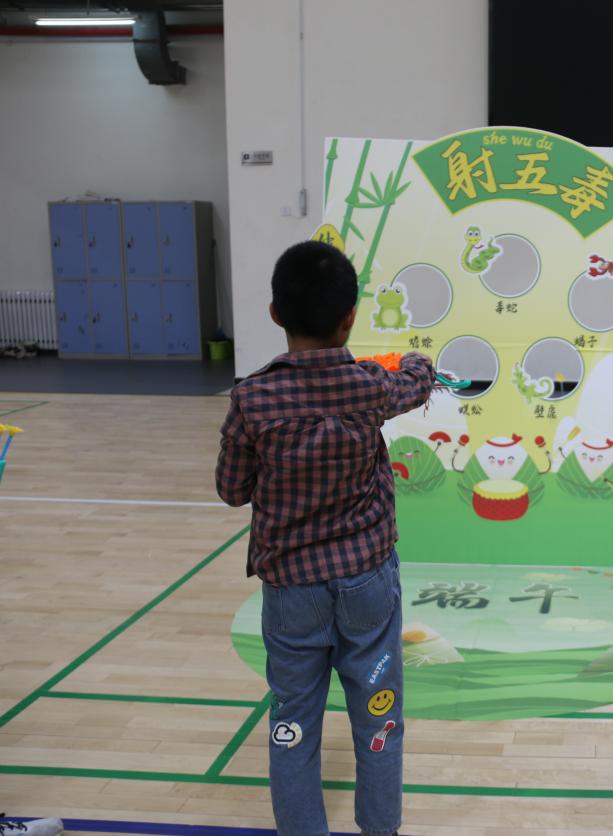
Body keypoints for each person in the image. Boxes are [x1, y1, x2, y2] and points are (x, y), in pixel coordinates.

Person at [216, 240, 434, 836]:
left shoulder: (251, 398)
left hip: (291, 592)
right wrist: (415, 359)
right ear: (350, 319)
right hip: (368, 583)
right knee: (379, 714)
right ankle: (380, 828)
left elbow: (232, 490)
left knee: (292, 722)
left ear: (274, 313)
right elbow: (415, 382)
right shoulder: (369, 386)